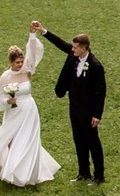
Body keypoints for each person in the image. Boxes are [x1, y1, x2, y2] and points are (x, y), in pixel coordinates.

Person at [0, 31, 62, 187]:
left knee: (28, 139)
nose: (20, 64)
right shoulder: (6, 76)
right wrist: (7, 100)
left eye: (21, 61)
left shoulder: (27, 71)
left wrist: (32, 35)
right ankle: (0, 164)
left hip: (29, 110)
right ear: (11, 62)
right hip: (13, 111)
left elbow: (32, 53)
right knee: (10, 139)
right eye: (17, 62)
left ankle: (26, 173)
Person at [31, 20, 106, 185]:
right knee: (78, 140)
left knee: (92, 142)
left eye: (75, 47)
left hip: (89, 111)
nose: (72, 49)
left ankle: (99, 175)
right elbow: (61, 44)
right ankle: (83, 172)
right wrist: (43, 31)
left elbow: (101, 93)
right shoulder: (74, 57)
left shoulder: (95, 66)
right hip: (75, 107)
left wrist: (97, 114)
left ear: (84, 48)